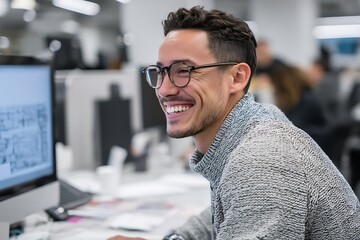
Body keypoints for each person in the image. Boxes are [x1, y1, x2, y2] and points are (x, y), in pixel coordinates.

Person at [108, 6, 360, 240]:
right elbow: (221, 213)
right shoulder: (255, 122)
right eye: (160, 72)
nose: (164, 89)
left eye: (183, 70)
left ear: (237, 78)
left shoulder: (262, 158)